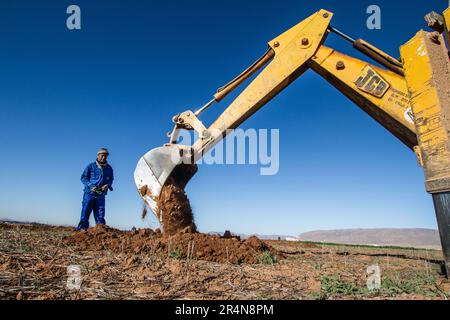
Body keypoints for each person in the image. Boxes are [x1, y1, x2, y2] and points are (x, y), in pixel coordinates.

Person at [77, 148, 114, 231]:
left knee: (100, 214)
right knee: (85, 212)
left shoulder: (109, 168)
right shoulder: (91, 166)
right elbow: (83, 178)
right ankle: (82, 229)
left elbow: (111, 180)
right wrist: (91, 186)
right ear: (98, 155)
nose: (104, 157)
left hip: (101, 194)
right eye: (102, 155)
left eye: (106, 156)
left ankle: (100, 230)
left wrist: (107, 185)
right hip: (89, 194)